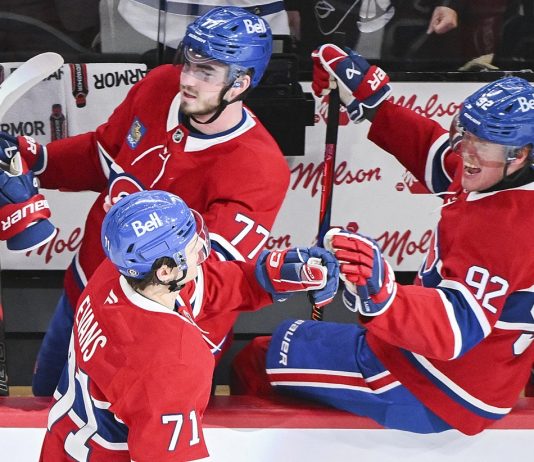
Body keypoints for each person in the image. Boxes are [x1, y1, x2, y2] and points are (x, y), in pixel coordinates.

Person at [231, 44, 534, 435]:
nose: (467, 153)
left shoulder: (508, 227)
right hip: (458, 368)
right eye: (468, 136)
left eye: (484, 144)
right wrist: (376, 104)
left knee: (259, 359)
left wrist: (385, 294)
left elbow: (455, 327)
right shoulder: (501, 177)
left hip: (433, 386)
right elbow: (440, 157)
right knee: (283, 343)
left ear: (524, 155)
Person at [0, 6, 290, 396]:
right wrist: (36, 159)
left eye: (206, 72)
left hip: (157, 337)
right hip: (84, 297)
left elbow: (204, 279)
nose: (187, 79)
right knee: (45, 416)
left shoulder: (259, 167)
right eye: (188, 62)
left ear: (240, 83)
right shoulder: (160, 86)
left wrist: (137, 232)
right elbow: (102, 154)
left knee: (118, 447)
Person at [39, 189, 339, 461]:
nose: (199, 247)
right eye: (189, 243)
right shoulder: (173, 362)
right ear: (166, 271)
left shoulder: (113, 274)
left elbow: (203, 286)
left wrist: (267, 277)